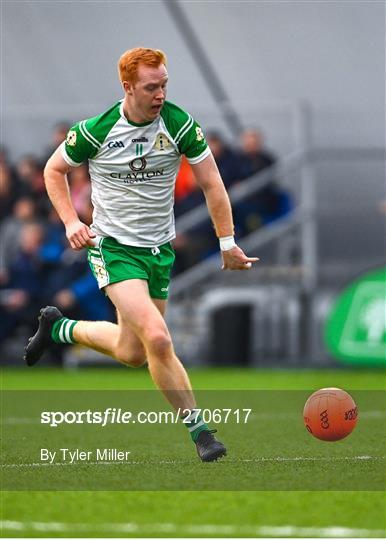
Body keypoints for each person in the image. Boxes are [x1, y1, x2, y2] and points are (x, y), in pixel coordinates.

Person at [24, 47, 258, 462]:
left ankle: (60, 329)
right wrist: (71, 222)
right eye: (152, 87)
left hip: (158, 250)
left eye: (165, 84)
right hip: (113, 249)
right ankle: (201, 432)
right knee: (157, 337)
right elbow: (52, 170)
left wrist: (227, 242)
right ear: (128, 87)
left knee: (134, 352)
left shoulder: (179, 124)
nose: (161, 94)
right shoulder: (98, 128)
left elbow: (212, 184)